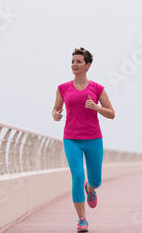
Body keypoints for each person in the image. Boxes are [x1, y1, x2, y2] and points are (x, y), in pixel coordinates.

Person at [52, 47, 115, 232]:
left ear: (87, 66)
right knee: (78, 176)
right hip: (71, 138)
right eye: (73, 61)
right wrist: (56, 114)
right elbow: (55, 109)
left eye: (79, 62)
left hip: (94, 138)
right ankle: (82, 220)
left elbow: (111, 114)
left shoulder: (97, 88)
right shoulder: (63, 88)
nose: (74, 65)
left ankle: (91, 188)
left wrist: (96, 107)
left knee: (95, 180)